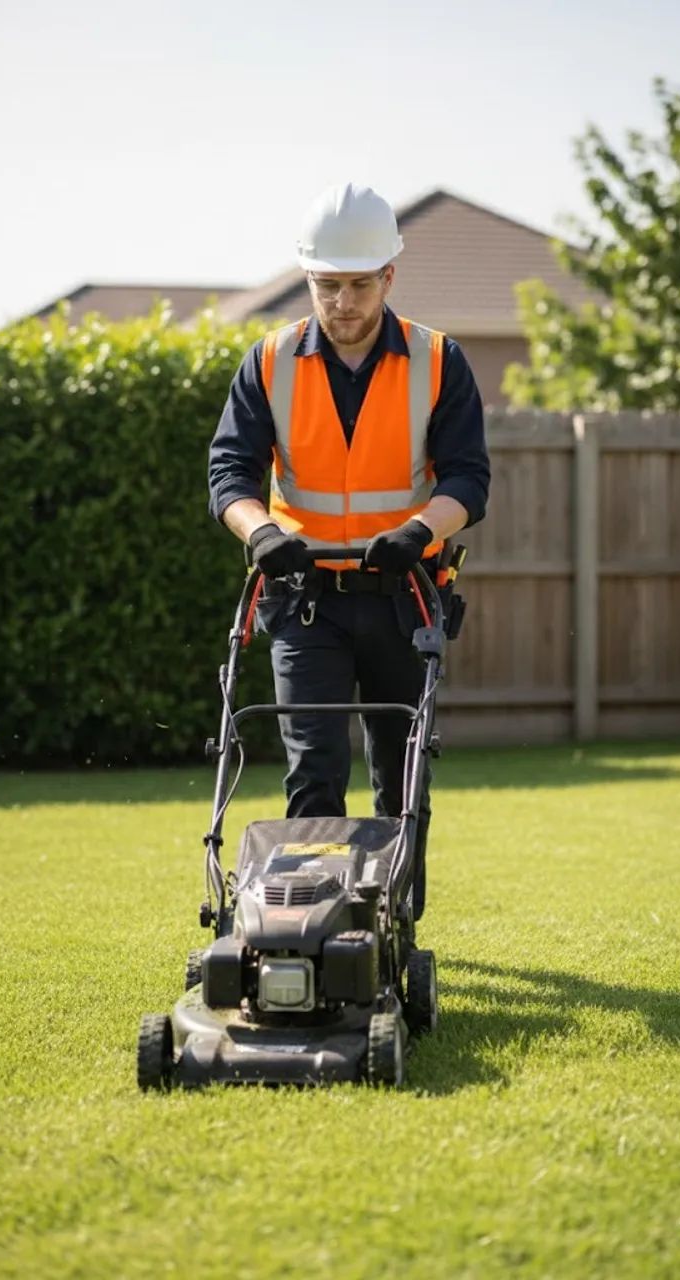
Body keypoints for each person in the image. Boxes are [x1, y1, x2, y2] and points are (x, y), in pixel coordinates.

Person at [208, 182, 490, 921]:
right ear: (309, 279)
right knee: (314, 768)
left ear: (388, 278)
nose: (342, 302)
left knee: (402, 775)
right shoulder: (267, 362)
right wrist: (262, 533)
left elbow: (468, 477)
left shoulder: (438, 361)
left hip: (403, 596)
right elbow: (229, 473)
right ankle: (307, 924)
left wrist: (418, 532)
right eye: (327, 285)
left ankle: (393, 922)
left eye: (358, 285)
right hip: (304, 603)